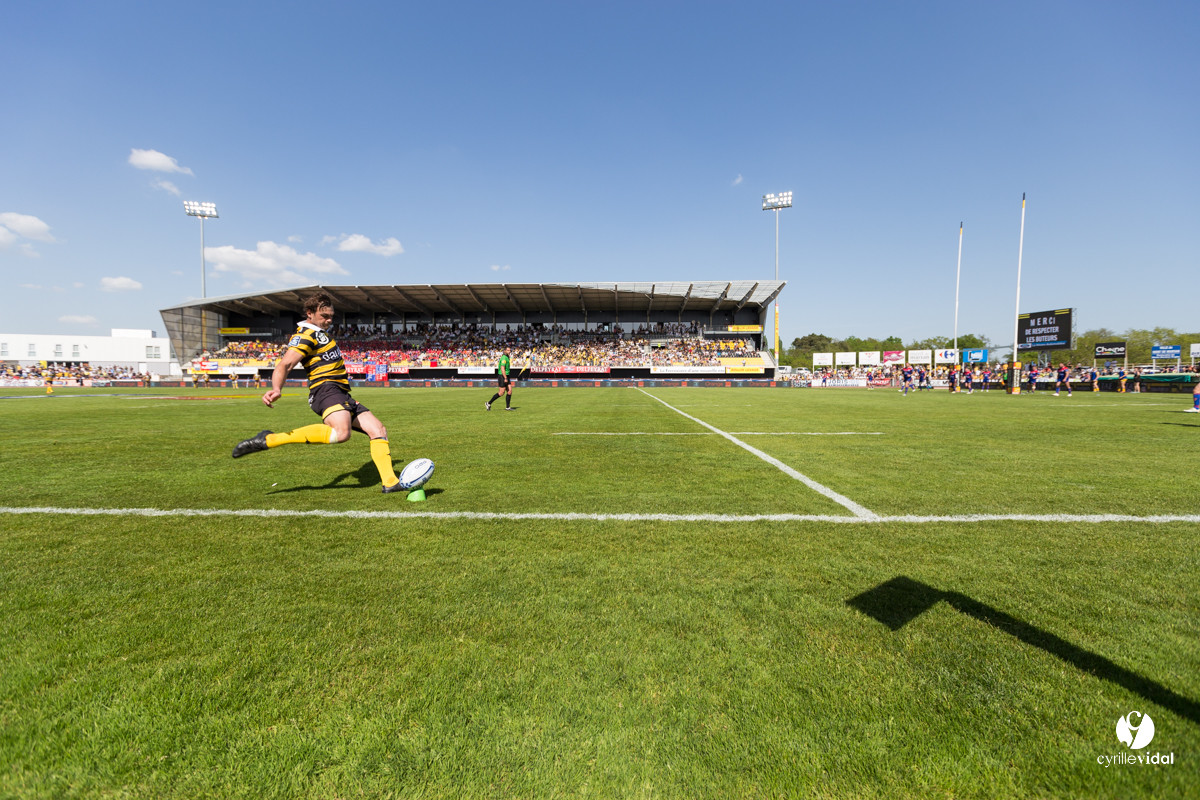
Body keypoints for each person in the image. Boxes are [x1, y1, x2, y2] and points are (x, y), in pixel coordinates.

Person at [231, 292, 403, 493]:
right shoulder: (305, 335)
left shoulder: (320, 333)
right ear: (310, 313)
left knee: (378, 430)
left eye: (331, 316)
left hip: (340, 392)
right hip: (325, 389)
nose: (329, 320)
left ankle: (390, 482)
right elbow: (286, 363)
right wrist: (277, 389)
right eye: (324, 316)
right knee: (342, 433)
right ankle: (269, 439)